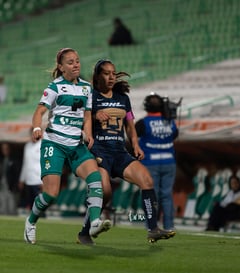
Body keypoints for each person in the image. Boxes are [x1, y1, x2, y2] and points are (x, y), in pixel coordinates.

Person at [77, 59, 175, 244]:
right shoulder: (90, 96)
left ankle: (152, 229)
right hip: (99, 151)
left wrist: (136, 145)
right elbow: (82, 120)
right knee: (105, 192)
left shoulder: (123, 98)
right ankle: (85, 232)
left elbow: (130, 125)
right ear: (98, 76)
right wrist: (94, 115)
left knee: (146, 180)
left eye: (113, 73)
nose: (111, 77)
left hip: (119, 152)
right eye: (106, 73)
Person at [24, 48, 110, 244]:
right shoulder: (54, 87)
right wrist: (37, 127)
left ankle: (95, 222)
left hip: (76, 145)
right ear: (61, 68)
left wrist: (88, 133)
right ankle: (31, 222)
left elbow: (87, 116)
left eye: (77, 61)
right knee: (51, 194)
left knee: (95, 177)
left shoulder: (87, 88)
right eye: (70, 62)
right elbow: (39, 112)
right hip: (54, 143)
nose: (76, 64)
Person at [135, 93, 179, 231]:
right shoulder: (170, 121)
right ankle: (169, 226)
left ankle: (151, 225)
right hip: (169, 162)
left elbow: (133, 136)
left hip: (150, 163)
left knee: (151, 194)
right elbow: (175, 135)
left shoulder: (143, 123)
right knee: (166, 195)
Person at [18, 128, 43, 213]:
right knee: (30, 205)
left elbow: (45, 164)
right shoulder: (27, 146)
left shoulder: (43, 145)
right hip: (28, 180)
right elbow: (25, 163)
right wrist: (21, 179)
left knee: (39, 205)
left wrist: (43, 181)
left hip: (38, 180)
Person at [0, 142, 21, 215]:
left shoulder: (14, 160)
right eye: (3, 149)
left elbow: (17, 174)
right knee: (2, 205)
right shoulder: (1, 160)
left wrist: (15, 186)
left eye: (6, 149)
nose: (5, 150)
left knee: (11, 206)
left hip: (11, 186)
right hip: (2, 187)